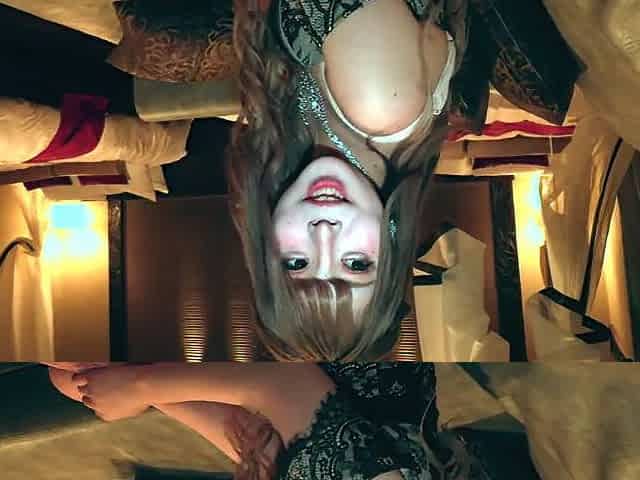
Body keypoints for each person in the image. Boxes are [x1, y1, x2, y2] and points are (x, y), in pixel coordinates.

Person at [227, 0, 470, 361]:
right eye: (356, 264)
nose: (324, 232)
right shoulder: (378, 105)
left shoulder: (299, 149)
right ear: (391, 249)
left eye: (296, 263)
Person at [47, 362, 479, 480]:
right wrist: (139, 386)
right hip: (339, 327)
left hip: (291, 354)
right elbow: (281, 381)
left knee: (71, 378)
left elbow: (252, 439)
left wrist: (134, 391)